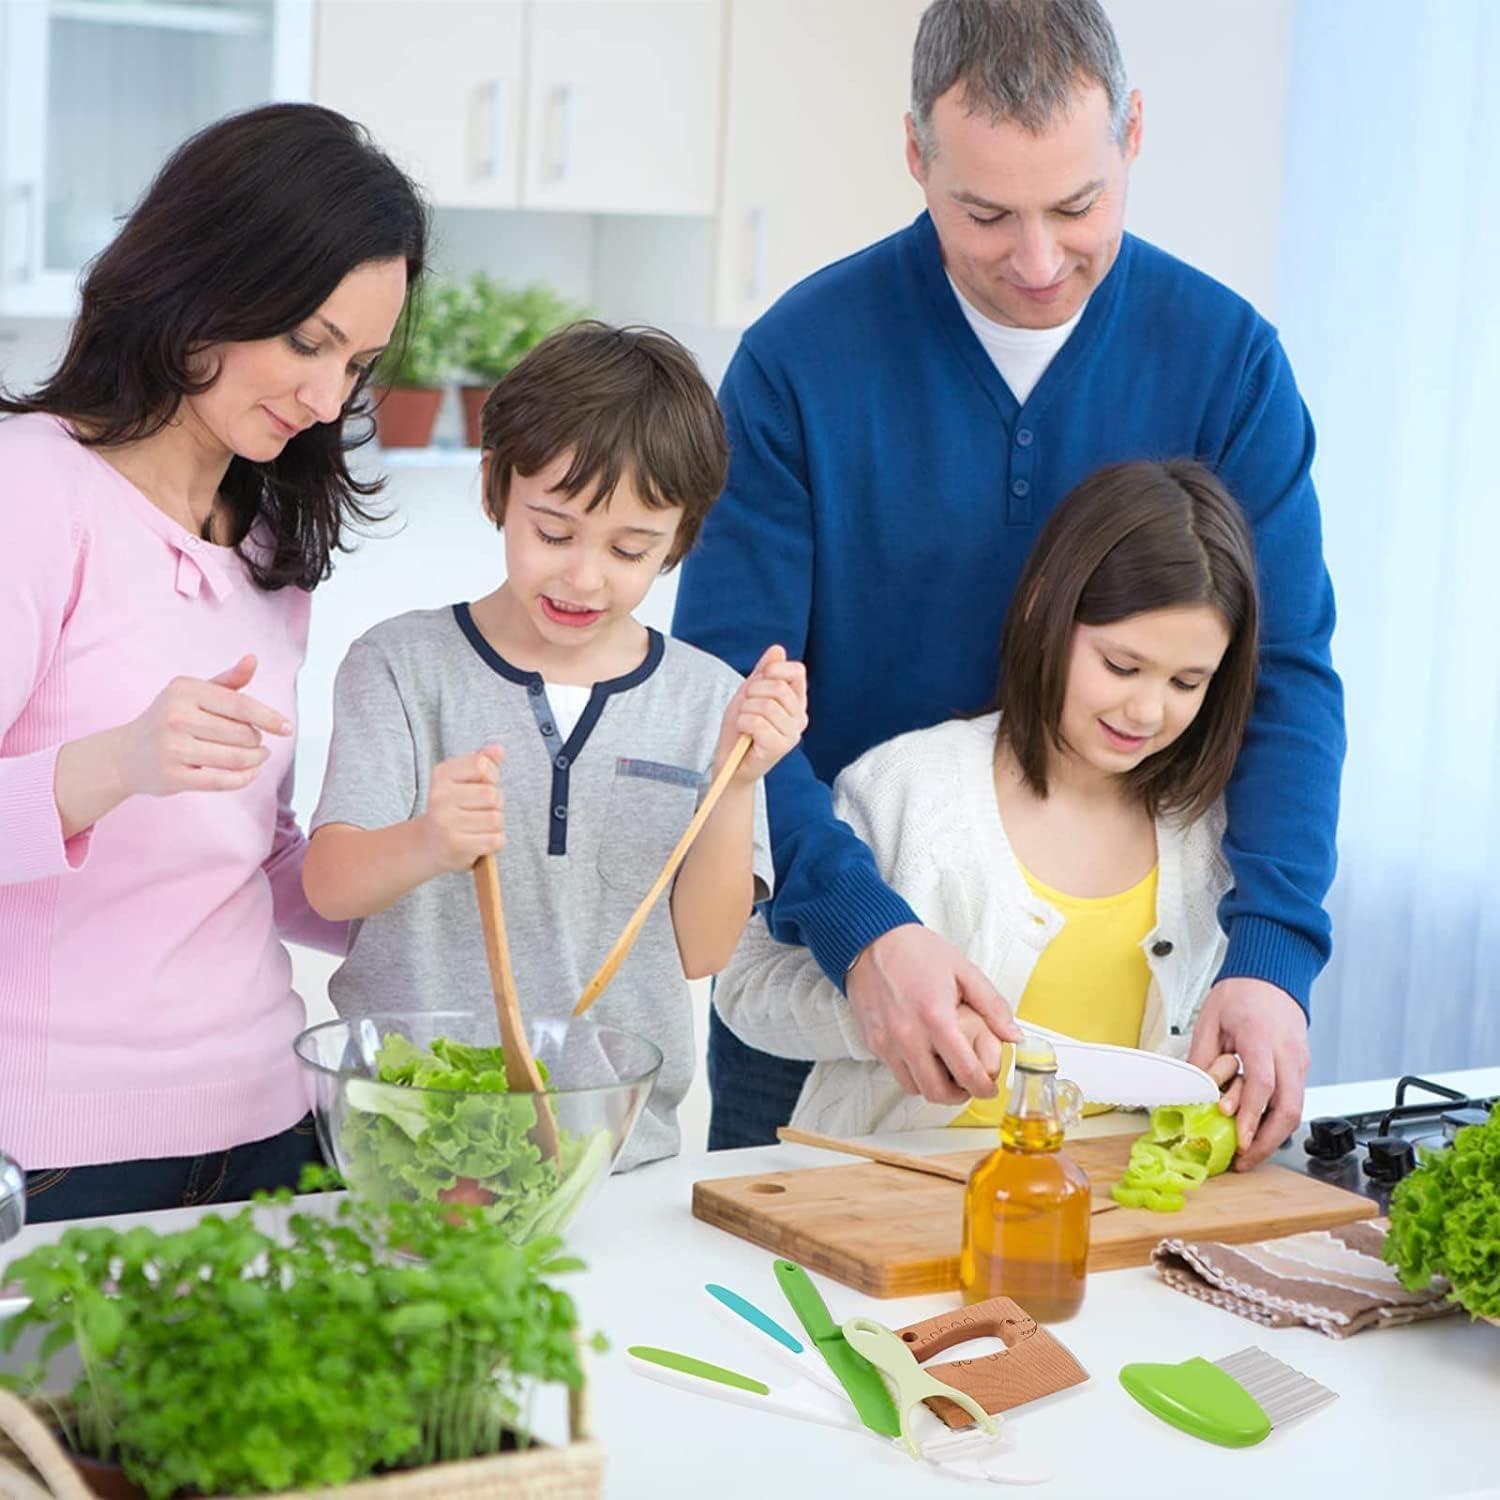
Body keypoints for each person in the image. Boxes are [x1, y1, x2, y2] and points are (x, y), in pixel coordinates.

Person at [674, 0, 1344, 1167]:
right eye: (984, 213)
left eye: (1077, 207)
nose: (1038, 262)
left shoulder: (1227, 361)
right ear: (915, 158)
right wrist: (857, 929)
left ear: (1132, 135)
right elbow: (730, 702)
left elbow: (1283, 675)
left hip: (1116, 1021)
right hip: (832, 1005)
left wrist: (1271, 952)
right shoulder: (800, 361)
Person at [0, 103, 428, 1221]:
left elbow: (253, 857)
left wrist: (421, 859)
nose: (329, 398)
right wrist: (120, 761)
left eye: (360, 362)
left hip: (272, 1122)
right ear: (204, 284)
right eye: (308, 341)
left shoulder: (273, 544)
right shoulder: (30, 493)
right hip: (57, 1153)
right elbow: (136, 778)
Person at [302, 322, 809, 1169]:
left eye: (630, 549)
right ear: (496, 489)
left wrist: (741, 779)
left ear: (680, 540)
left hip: (616, 1154)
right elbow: (329, 886)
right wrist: (431, 839)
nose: (584, 577)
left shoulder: (705, 699)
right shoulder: (399, 665)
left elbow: (705, 951)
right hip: (403, 1140)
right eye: (555, 531)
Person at [716, 459, 1255, 1134]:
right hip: (887, 1213)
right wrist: (886, 1015)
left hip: (1109, 1222)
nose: (1147, 710)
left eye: (1188, 682)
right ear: (1045, 613)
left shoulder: (1210, 832)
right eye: (1121, 665)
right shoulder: (908, 788)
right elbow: (744, 988)